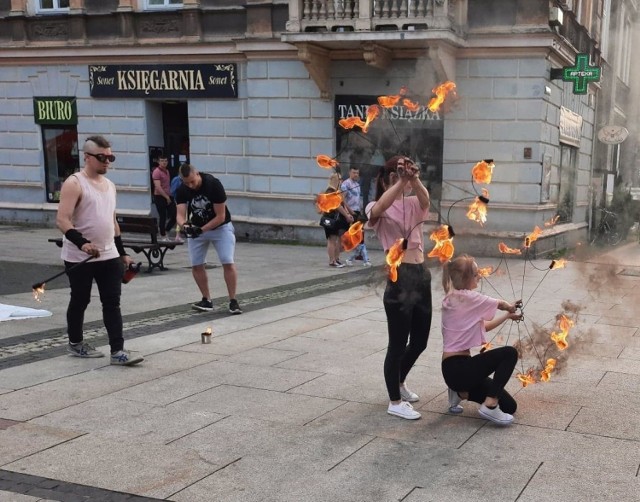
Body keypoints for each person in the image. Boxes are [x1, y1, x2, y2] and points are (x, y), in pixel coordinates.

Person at [55, 135, 143, 366]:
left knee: (112, 302)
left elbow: (113, 223)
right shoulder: (74, 183)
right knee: (80, 300)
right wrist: (82, 243)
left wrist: (122, 252)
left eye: (110, 157)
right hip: (79, 256)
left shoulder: (110, 186)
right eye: (102, 157)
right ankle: (76, 343)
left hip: (108, 254)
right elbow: (62, 220)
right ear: (87, 157)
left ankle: (118, 351)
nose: (107, 162)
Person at [365, 155, 431, 420]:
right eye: (397, 172)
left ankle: (400, 382)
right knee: (397, 343)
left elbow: (426, 200)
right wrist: (400, 180)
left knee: (420, 341)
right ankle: (394, 401)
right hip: (398, 276)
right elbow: (380, 208)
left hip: (421, 274)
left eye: (406, 170)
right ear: (387, 177)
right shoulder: (375, 204)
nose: (403, 177)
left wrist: (414, 180)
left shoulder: (414, 201)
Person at [441, 254, 522, 425]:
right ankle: (490, 405)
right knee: (509, 353)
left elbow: (482, 326)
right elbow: (499, 303)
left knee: (509, 406)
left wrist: (508, 316)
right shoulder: (469, 297)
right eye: (476, 273)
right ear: (466, 278)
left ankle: (460, 393)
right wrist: (509, 306)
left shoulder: (452, 298)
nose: (479, 276)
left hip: (455, 371)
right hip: (460, 369)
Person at [175, 163, 242, 315]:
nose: (191, 186)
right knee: (196, 264)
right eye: (187, 183)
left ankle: (233, 300)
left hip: (221, 227)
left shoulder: (213, 184)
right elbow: (179, 214)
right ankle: (206, 299)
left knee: (227, 261)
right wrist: (185, 226)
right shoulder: (181, 189)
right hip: (197, 228)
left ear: (197, 173)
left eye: (193, 181)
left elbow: (221, 216)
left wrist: (201, 229)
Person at [340, 166, 371, 267]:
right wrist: (349, 212)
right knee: (358, 236)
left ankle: (355, 257)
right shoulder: (346, 184)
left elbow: (358, 199)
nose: (356, 175)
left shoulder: (357, 185)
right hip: (351, 213)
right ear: (349, 172)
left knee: (360, 235)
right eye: (354, 173)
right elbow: (342, 200)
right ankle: (365, 259)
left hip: (357, 211)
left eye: (357, 173)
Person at [323, 171, 353, 268]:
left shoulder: (335, 191)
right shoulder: (330, 191)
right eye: (340, 179)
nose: (341, 181)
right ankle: (332, 261)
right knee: (332, 239)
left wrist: (348, 214)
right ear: (335, 180)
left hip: (334, 219)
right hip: (330, 218)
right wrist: (347, 215)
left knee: (335, 239)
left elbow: (342, 204)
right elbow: (337, 206)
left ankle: (336, 259)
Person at [152, 156, 177, 241]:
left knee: (175, 215)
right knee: (163, 216)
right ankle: (163, 235)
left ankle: (166, 230)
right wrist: (166, 197)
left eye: (166, 161)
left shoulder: (167, 171)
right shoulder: (156, 172)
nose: (164, 162)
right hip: (159, 197)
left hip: (168, 196)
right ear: (159, 162)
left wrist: (169, 196)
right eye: (162, 161)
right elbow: (158, 187)